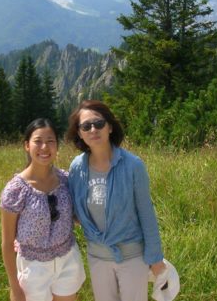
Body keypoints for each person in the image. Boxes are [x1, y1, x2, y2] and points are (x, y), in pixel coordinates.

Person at [66, 100, 166, 301]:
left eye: (99, 123)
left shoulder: (133, 165)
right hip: (97, 258)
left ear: (110, 127)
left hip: (132, 258)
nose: (93, 129)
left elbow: (146, 214)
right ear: (79, 133)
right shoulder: (77, 168)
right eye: (86, 126)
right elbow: (74, 211)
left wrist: (155, 259)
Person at [0, 118, 86, 301]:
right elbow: (7, 243)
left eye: (50, 141)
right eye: (38, 141)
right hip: (33, 267)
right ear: (26, 145)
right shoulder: (15, 190)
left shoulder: (66, 180)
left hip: (67, 260)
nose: (44, 147)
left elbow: (79, 216)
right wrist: (14, 287)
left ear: (57, 146)